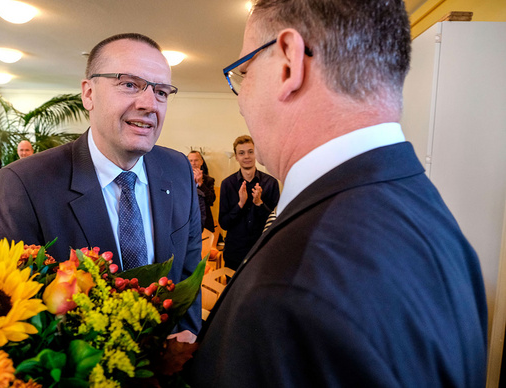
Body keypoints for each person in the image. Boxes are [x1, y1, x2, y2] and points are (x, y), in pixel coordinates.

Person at [187, 0, 487, 386]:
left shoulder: (292, 284)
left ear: (289, 63)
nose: (242, 99)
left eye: (243, 72)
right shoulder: (430, 215)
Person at [0, 33, 202, 339]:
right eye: (129, 84)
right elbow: (20, 318)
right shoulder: (25, 184)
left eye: (162, 92)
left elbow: (188, 279)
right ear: (88, 94)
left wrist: (183, 355)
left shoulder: (179, 169)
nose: (149, 104)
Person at [218, 135, 279, 270]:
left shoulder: (271, 184)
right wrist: (240, 204)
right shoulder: (227, 184)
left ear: (256, 153)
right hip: (235, 252)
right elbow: (224, 223)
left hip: (261, 251)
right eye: (241, 153)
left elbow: (275, 224)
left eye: (250, 152)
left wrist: (259, 204)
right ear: (236, 157)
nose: (246, 156)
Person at [187, 150, 216, 232]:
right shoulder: (182, 179)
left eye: (196, 160)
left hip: (205, 221)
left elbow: (211, 200)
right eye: (190, 161)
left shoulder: (209, 180)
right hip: (187, 221)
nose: (193, 163)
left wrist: (201, 184)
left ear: (201, 162)